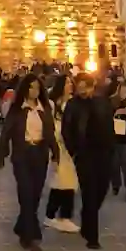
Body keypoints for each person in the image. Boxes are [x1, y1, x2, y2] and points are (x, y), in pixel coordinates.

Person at [0, 73, 58, 251]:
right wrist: (1, 155)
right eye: (31, 87)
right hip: (22, 155)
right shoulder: (17, 109)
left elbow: (50, 132)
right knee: (26, 192)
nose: (34, 91)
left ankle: (21, 226)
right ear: (25, 89)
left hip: (39, 154)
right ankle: (31, 237)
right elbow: (6, 132)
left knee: (35, 194)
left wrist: (56, 153)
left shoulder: (44, 108)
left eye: (37, 88)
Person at [62, 73, 114, 249]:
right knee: (89, 193)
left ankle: (87, 216)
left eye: (86, 87)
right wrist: (74, 151)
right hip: (85, 154)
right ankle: (92, 237)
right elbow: (67, 130)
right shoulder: (73, 105)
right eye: (80, 87)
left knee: (102, 190)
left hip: (104, 153)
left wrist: (112, 147)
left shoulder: (102, 102)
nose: (83, 90)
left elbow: (110, 125)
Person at [44, 74, 79, 232]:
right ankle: (57, 215)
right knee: (61, 181)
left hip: (70, 146)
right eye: (67, 83)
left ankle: (61, 215)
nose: (70, 85)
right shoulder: (52, 104)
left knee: (69, 182)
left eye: (71, 82)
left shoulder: (72, 102)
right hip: (58, 146)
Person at [110, 80, 126, 202]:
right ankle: (116, 184)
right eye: (122, 90)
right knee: (114, 165)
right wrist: (116, 113)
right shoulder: (111, 101)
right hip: (114, 138)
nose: (124, 93)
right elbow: (105, 118)